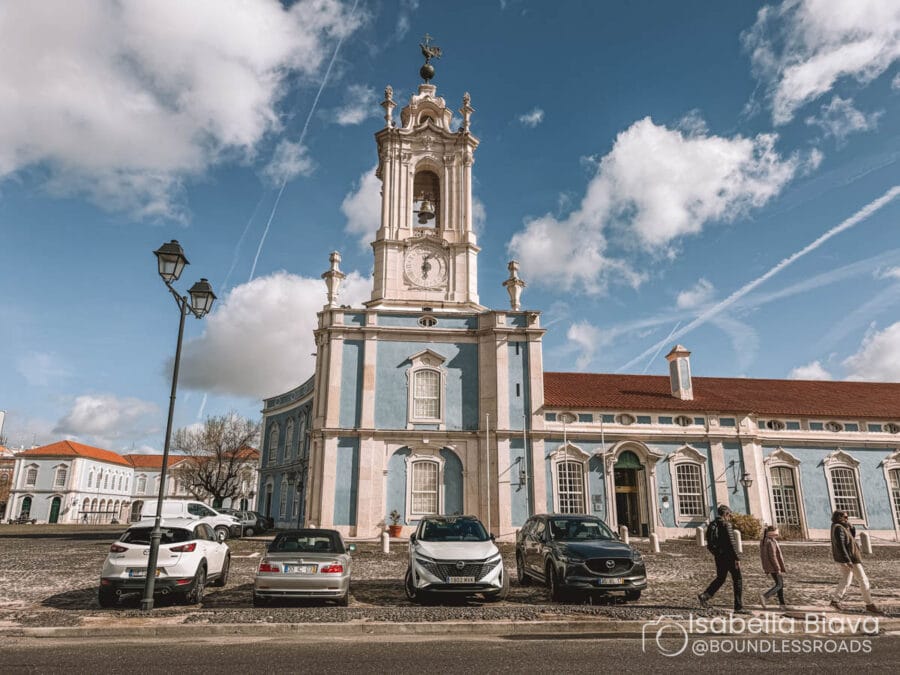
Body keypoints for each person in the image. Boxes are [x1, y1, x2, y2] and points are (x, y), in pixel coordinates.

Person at [830, 510, 881, 614]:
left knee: (846, 579)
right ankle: (869, 604)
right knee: (863, 579)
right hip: (851, 558)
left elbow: (852, 536)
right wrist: (848, 559)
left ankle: (835, 600)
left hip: (847, 558)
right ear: (839, 517)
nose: (847, 519)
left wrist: (852, 527)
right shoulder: (839, 528)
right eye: (845, 517)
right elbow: (841, 545)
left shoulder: (841, 526)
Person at [698, 505, 747, 612]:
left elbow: (710, 544)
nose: (730, 517)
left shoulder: (712, 524)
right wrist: (737, 558)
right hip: (729, 557)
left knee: (721, 578)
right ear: (725, 514)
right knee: (738, 580)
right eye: (729, 515)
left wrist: (717, 553)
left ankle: (705, 595)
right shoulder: (726, 525)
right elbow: (731, 543)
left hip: (719, 557)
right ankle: (738, 607)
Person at [758, 525, 787, 609]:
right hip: (774, 566)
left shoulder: (764, 540)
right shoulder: (771, 542)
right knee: (779, 585)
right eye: (776, 533)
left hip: (769, 566)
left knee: (780, 584)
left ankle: (782, 605)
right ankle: (765, 596)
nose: (777, 535)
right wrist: (778, 568)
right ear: (772, 533)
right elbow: (773, 556)